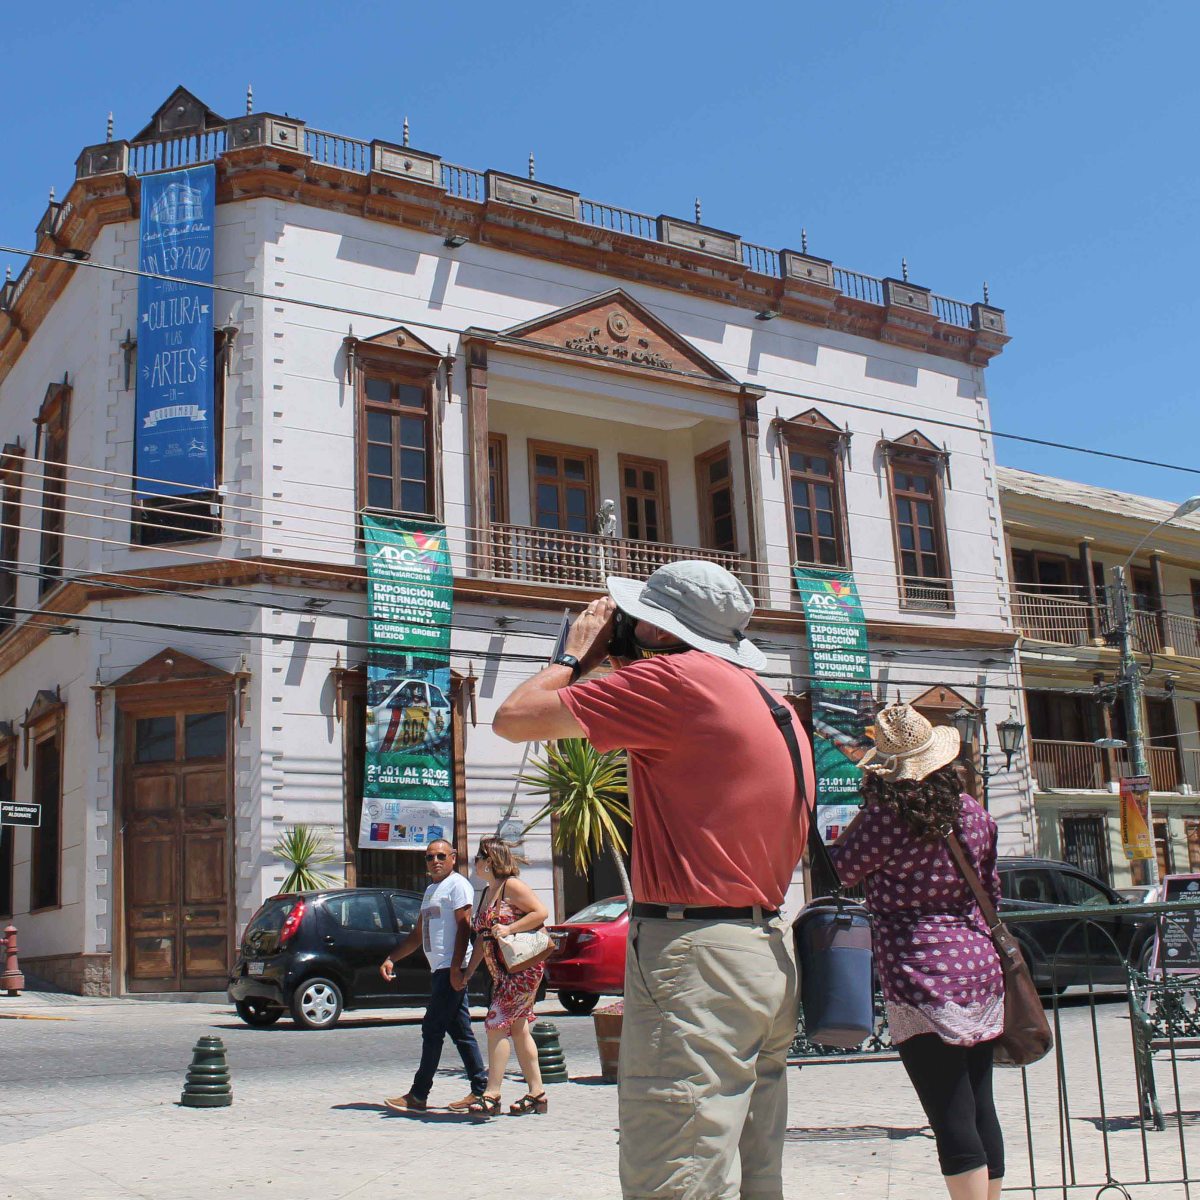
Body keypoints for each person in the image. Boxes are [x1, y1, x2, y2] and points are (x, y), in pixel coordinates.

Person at [493, 560, 812, 1199]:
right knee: (755, 1178)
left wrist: (574, 654)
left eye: (636, 619)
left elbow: (515, 717)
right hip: (764, 952)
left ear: (661, 632)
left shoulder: (674, 683)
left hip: (697, 960)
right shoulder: (764, 697)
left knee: (675, 1174)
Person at [828, 704, 1006, 1200]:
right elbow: (990, 889)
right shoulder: (974, 812)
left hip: (919, 972)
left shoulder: (885, 819)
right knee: (979, 1103)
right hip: (979, 967)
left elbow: (839, 870)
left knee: (949, 1114)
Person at [379, 839, 488, 1114]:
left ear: (453, 857)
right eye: (429, 857)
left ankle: (418, 1094)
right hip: (439, 968)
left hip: (449, 969)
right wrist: (392, 958)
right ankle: (481, 1089)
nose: (435, 861)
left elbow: (465, 927)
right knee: (460, 1031)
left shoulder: (458, 884)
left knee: (432, 1029)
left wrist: (455, 968)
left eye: (441, 856)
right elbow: (418, 934)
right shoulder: (431, 890)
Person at [455, 836, 550, 1116]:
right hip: (501, 971)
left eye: (479, 857)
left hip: (521, 969)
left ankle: (492, 1094)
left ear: (491, 860)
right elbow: (483, 939)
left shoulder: (512, 885)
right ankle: (537, 1093)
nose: (475, 862)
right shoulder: (487, 892)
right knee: (519, 1029)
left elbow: (540, 912)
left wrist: (510, 929)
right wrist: (470, 971)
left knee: (496, 1023)